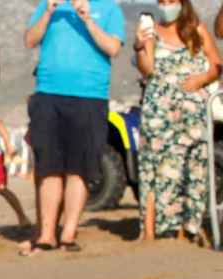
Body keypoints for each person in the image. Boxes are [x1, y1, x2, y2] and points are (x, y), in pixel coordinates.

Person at [22, 0, 125, 255]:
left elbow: (113, 48)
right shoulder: (50, 5)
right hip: (48, 93)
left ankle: (68, 233)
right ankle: (46, 235)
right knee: (49, 167)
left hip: (89, 95)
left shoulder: (111, 9)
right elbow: (30, 40)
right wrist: (47, 12)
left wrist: (88, 19)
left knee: (79, 167)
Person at [135, 0, 220, 243]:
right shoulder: (152, 31)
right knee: (154, 168)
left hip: (191, 114)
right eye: (161, 2)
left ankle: (186, 230)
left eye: (171, 1)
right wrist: (140, 46)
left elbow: (216, 65)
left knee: (193, 169)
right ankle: (150, 231)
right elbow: (147, 69)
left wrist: (201, 79)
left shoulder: (196, 29)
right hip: (158, 112)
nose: (166, 6)